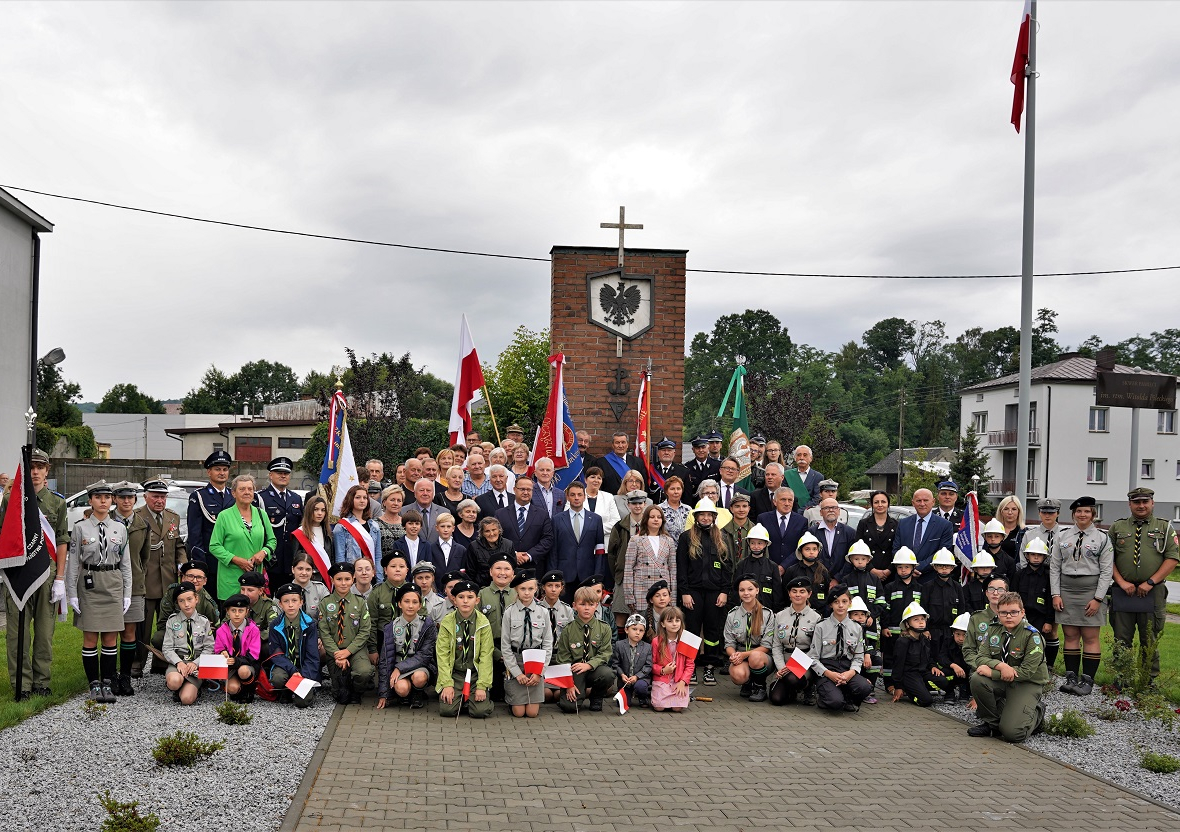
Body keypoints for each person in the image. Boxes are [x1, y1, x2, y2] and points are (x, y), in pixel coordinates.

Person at [0, 450, 66, 700]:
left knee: (44, 633)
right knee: (18, 634)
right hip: (18, 576)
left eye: (40, 467)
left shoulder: (57, 503)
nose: (35, 472)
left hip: (46, 576)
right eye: (31, 467)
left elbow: (62, 540)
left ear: (47, 471)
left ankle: (41, 681)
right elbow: (3, 537)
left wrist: (59, 578)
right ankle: (22, 684)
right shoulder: (10, 501)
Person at [67, 481, 132, 704]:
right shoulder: (80, 528)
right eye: (98, 497)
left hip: (113, 582)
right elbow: (74, 563)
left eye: (107, 497)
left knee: (111, 637)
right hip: (90, 583)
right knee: (90, 636)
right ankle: (94, 684)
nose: (103, 501)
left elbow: (126, 564)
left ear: (112, 500)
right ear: (91, 500)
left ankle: (107, 682)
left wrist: (127, 592)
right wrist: (71, 593)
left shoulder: (120, 528)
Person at [1107, 486, 1178, 685]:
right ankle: (1122, 679)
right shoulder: (1118, 527)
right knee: (1121, 639)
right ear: (1130, 504)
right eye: (1136, 502)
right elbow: (1107, 558)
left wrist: (1150, 582)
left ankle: (1148, 681)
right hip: (1123, 591)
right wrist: (1121, 582)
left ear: (1152, 503)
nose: (1141, 505)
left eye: (1145, 502)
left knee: (1150, 638)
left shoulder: (1165, 527)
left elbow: (1172, 558)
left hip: (1152, 592)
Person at [967, 592, 1048, 742]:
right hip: (1004, 681)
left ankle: (1037, 712)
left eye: (1013, 612)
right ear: (998, 613)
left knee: (1013, 734)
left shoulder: (1032, 636)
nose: (1008, 616)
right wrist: (1001, 665)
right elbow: (980, 657)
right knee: (977, 679)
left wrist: (994, 673)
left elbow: (1026, 672)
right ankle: (992, 724)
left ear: (1022, 613)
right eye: (1003, 612)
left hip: (1026, 684)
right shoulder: (993, 630)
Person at [1052, 496, 1113, 697]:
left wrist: (1097, 599)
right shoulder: (1063, 536)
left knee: (1089, 636)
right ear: (1073, 514)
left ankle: (1087, 680)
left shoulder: (1103, 538)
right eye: (1079, 511)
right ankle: (1071, 678)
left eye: (1087, 511)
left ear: (1093, 514)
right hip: (1066, 590)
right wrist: (1056, 594)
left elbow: (1106, 571)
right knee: (1070, 635)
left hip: (1091, 591)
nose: (1082, 515)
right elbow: (1055, 566)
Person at [676, 498, 734, 685]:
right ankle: (689, 669)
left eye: (709, 515)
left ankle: (709, 668)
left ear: (714, 517)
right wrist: (684, 592)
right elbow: (682, 568)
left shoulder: (722, 537)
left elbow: (728, 567)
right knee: (691, 631)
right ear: (696, 516)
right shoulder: (686, 537)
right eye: (703, 514)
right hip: (692, 592)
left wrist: (724, 591)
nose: (706, 518)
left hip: (715, 593)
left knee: (712, 631)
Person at [134, 478, 187, 679]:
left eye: (163, 497)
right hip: (146, 581)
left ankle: (160, 663)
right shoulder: (137, 516)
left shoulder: (172, 517)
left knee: (166, 626)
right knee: (143, 627)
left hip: (169, 581)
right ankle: (136, 664)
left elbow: (179, 545)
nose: (159, 501)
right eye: (155, 496)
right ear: (145, 496)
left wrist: (183, 563)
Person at [209, 475, 276, 602]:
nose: (247, 492)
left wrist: (264, 552)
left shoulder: (262, 514)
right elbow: (214, 546)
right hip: (231, 579)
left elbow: (272, 540)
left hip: (255, 580)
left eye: (250, 489)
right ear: (233, 493)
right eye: (242, 489)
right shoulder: (224, 516)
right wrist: (236, 560)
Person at [110, 481, 149, 696]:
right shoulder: (104, 521)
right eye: (122, 497)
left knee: (129, 632)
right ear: (115, 499)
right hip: (109, 583)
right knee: (109, 632)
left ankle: (125, 676)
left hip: (134, 584)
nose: (126, 501)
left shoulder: (142, 524)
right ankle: (110, 676)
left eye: (130, 497)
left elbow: (144, 557)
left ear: (135, 500)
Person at [436, 578, 494, 719]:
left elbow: (486, 656)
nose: (465, 601)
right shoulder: (447, 622)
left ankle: (476, 699)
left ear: (477, 600)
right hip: (455, 673)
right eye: (461, 597)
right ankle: (461, 698)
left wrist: (482, 685)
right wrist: (447, 684)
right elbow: (442, 655)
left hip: (475, 674)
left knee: (480, 712)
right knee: (447, 711)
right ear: (454, 600)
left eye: (470, 597)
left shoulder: (483, 623)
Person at [808, 584, 872, 712]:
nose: (841, 605)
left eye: (844, 601)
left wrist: (851, 673)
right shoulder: (821, 626)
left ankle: (848, 698)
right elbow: (813, 657)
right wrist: (828, 673)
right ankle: (827, 697)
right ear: (831, 604)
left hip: (846, 667)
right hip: (827, 668)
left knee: (864, 687)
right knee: (835, 702)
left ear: (850, 603)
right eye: (836, 602)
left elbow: (858, 657)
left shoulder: (857, 628)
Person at [318, 561, 374, 705]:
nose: (343, 583)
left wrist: (348, 651)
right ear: (332, 580)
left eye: (347, 579)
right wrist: (337, 653)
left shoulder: (360, 602)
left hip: (355, 649)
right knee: (339, 695)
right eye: (339, 579)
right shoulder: (325, 603)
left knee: (365, 672)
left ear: (353, 579)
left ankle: (356, 691)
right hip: (334, 651)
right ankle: (343, 684)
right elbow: (324, 632)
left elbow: (364, 631)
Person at [554, 586, 616, 712]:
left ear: (596, 606)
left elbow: (605, 653)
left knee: (608, 674)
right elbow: (563, 658)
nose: (587, 608)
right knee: (570, 707)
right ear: (575, 606)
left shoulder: (604, 628)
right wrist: (569, 684)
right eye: (582, 604)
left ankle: (596, 697)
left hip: (594, 669)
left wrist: (589, 665)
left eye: (591, 604)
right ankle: (571, 697)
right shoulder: (568, 630)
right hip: (574, 671)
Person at [376, 584, 437, 710]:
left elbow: (425, 655)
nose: (410, 606)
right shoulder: (391, 627)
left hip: (420, 666)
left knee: (419, 678)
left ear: (420, 606)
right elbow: (384, 660)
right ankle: (405, 695)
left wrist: (399, 668)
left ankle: (417, 693)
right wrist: (384, 694)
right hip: (399, 665)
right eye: (406, 601)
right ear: (399, 604)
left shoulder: (427, 625)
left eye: (415, 602)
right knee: (402, 689)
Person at [500, 570, 552, 718]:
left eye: (530, 589)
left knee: (532, 713)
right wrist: (517, 673)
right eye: (523, 589)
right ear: (516, 589)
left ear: (536, 589)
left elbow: (548, 644)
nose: (527, 593)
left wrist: (539, 673)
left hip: (536, 661)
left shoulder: (543, 612)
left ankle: (527, 698)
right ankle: (513, 702)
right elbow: (505, 645)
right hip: (516, 660)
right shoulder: (509, 612)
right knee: (518, 713)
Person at [186, 450, 235, 599]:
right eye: (217, 469)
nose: (222, 473)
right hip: (211, 561)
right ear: (209, 472)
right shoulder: (199, 496)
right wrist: (202, 564)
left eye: (225, 469)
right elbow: (195, 534)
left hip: (232, 560)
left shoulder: (234, 496)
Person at [768, 576, 822, 706]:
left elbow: (816, 648)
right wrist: (781, 667)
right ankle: (791, 690)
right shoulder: (780, 616)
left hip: (805, 661)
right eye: (794, 591)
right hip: (784, 661)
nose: (798, 595)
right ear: (789, 593)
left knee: (793, 678)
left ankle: (808, 687)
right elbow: (776, 645)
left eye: (802, 591)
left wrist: (793, 666)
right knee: (776, 699)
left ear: (809, 594)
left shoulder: (816, 618)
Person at [551, 480, 608, 600]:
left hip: (588, 575)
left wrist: (598, 576)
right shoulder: (557, 520)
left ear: (584, 497)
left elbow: (600, 550)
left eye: (579, 495)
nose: (576, 498)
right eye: (572, 495)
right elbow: (553, 550)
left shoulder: (595, 519)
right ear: (567, 497)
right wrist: (554, 576)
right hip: (564, 575)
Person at [267, 582, 320, 708]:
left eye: (294, 600)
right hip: (286, 665)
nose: (290, 605)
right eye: (286, 601)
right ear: (280, 604)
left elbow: (312, 655)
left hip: (304, 666)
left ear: (301, 602)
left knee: (301, 703)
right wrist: (292, 671)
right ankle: (286, 690)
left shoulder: (309, 625)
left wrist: (304, 676)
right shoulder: (275, 625)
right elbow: (276, 653)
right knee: (277, 678)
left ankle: (302, 689)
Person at [162, 581, 214, 706]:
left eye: (189, 599)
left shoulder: (204, 622)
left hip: (196, 665)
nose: (186, 604)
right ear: (177, 603)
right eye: (181, 601)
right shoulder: (172, 621)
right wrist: (179, 662)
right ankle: (177, 685)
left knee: (187, 700)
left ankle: (192, 687)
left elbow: (209, 648)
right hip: (178, 662)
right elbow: (167, 648)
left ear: (196, 599)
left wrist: (196, 663)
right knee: (174, 682)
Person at [890, 603, 953, 707]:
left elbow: (929, 657)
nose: (920, 622)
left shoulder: (924, 639)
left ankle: (922, 688)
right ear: (907, 624)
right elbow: (898, 666)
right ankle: (910, 692)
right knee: (926, 701)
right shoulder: (903, 642)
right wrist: (898, 687)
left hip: (923, 672)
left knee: (943, 680)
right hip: (909, 675)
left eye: (922, 619)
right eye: (916, 620)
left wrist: (933, 666)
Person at [255, 457, 303, 589]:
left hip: (290, 559)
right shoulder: (260, 497)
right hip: (269, 559)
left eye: (286, 473)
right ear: (271, 475)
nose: (283, 476)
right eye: (279, 472)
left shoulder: (296, 498)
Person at [723, 576, 774, 702]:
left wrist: (744, 654)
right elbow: (729, 643)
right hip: (740, 654)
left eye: (750, 589)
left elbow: (767, 646)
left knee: (755, 657)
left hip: (761, 657)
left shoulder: (767, 614)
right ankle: (748, 682)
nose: (746, 593)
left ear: (757, 590)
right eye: (742, 590)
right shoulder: (732, 614)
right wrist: (734, 655)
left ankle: (760, 686)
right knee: (738, 675)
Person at [1013, 537, 1058, 672]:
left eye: (1039, 555)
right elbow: (1013, 597)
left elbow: (1051, 601)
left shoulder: (1049, 576)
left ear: (1045, 557)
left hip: (1040, 618)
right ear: (1027, 556)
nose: (1036, 558)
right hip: (1021, 617)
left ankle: (1042, 669)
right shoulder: (1019, 575)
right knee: (1020, 643)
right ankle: (1020, 668)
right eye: (1033, 554)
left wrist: (1049, 621)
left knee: (1038, 644)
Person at [623, 505, 676, 616]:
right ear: (646, 519)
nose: (656, 520)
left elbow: (673, 570)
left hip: (662, 592)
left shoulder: (669, 541)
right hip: (641, 590)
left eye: (659, 517)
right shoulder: (635, 540)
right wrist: (629, 596)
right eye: (652, 517)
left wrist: (673, 596)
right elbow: (628, 569)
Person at [880, 547, 920, 690]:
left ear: (913, 568)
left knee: (908, 658)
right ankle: (889, 684)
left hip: (911, 632)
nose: (903, 570)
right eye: (900, 567)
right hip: (893, 630)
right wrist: (884, 627)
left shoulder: (919, 589)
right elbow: (885, 609)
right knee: (890, 657)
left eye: (907, 567)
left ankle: (904, 684)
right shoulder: (890, 587)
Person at [478, 552, 517, 702]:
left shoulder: (518, 594)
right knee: (494, 693)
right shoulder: (481, 595)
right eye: (498, 568)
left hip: (513, 648)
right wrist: (496, 653)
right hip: (489, 648)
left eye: (507, 569)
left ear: (513, 573)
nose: (502, 573)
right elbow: (478, 627)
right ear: (490, 572)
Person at [608, 491, 648, 629]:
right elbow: (612, 553)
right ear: (628, 504)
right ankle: (621, 648)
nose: (637, 506)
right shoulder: (619, 526)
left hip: (645, 577)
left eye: (640, 503)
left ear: (645, 504)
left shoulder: (651, 526)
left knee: (643, 616)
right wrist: (618, 573)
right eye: (634, 503)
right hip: (624, 576)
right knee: (621, 614)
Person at [496, 477, 552, 575]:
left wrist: (529, 555)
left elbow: (547, 539)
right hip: (507, 568)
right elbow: (497, 539)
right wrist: (513, 554)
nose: (526, 492)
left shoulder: (542, 514)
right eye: (522, 489)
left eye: (529, 489)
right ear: (514, 490)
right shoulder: (500, 514)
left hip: (534, 568)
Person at [213, 593, 261, 703]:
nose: (237, 614)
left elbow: (254, 655)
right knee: (232, 689)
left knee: (243, 671)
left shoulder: (253, 629)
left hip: (248, 665)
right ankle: (239, 691)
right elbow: (218, 649)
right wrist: (222, 652)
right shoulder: (221, 630)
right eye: (233, 610)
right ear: (227, 612)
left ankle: (248, 691)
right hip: (231, 667)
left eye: (241, 611)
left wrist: (237, 661)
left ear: (247, 612)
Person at [650, 606, 692, 712]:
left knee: (677, 708)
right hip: (662, 679)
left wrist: (683, 682)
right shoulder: (656, 641)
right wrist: (662, 670)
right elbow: (651, 663)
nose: (674, 624)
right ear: (663, 624)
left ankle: (684, 695)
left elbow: (690, 665)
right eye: (670, 621)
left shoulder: (687, 641)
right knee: (659, 707)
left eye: (677, 620)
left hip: (678, 680)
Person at [734, 523, 782, 611]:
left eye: (760, 543)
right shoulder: (742, 565)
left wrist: (775, 612)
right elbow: (735, 590)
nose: (756, 547)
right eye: (753, 543)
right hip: (744, 610)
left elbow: (777, 593)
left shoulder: (773, 567)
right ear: (748, 544)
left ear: (765, 544)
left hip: (766, 610)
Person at [780, 532, 831, 615]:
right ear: (801, 551)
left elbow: (826, 592)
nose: (811, 552)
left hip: (819, 614)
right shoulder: (792, 570)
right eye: (807, 549)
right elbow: (785, 593)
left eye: (814, 549)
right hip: (796, 613)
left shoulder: (823, 571)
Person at [757, 487, 807, 568]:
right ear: (775, 502)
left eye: (790, 500)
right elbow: (760, 544)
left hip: (793, 569)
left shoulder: (802, 521)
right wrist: (772, 566)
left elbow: (801, 547)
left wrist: (784, 566)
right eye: (783, 500)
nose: (787, 503)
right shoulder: (763, 519)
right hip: (767, 567)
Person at [334, 484, 381, 569]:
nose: (362, 500)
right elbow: (340, 557)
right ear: (350, 499)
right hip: (351, 574)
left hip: (370, 574)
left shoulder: (374, 526)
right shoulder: (342, 527)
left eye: (365, 498)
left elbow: (378, 556)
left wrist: (379, 579)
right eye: (358, 497)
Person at [611, 613, 653, 708]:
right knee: (622, 704)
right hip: (625, 680)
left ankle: (643, 697)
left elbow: (648, 665)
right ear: (626, 629)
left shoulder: (647, 647)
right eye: (634, 629)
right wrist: (621, 674)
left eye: (641, 630)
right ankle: (627, 693)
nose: (637, 632)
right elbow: (615, 664)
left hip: (640, 679)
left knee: (640, 687)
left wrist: (637, 676)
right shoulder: (619, 645)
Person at [856, 490, 898, 582]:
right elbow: (858, 548)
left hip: (890, 574)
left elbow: (897, 549)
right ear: (872, 504)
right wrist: (872, 570)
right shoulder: (863, 523)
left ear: (888, 504)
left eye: (883, 502)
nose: (880, 505)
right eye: (876, 502)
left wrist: (889, 570)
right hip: (867, 572)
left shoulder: (896, 524)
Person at [811, 497, 856, 579]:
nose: (831, 510)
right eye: (826, 508)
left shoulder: (849, 532)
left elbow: (851, 558)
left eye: (834, 508)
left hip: (841, 582)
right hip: (817, 580)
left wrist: (837, 578)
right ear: (821, 512)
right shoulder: (812, 533)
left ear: (838, 511)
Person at [466, 516, 515, 588]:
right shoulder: (474, 546)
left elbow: (513, 568)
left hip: (505, 587)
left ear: (499, 530)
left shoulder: (509, 544)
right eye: (487, 531)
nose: (491, 534)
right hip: (482, 588)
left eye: (494, 530)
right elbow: (470, 572)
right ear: (482, 533)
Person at [848, 595, 881, 701]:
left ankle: (869, 690)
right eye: (856, 614)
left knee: (876, 660)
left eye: (863, 614)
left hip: (862, 658)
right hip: (850, 660)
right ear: (849, 616)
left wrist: (867, 654)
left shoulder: (866, 629)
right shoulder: (847, 628)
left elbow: (871, 645)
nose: (860, 617)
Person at [238, 570, 277, 647]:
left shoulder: (268, 605)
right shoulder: (236, 603)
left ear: (260, 591)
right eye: (242, 589)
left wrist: (253, 638)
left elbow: (274, 627)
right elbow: (225, 625)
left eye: (250, 590)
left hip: (259, 642)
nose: (245, 594)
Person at [538, 570, 576, 648]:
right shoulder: (536, 609)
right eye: (550, 585)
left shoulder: (567, 610)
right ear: (543, 587)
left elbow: (572, 635)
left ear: (562, 587)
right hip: (541, 653)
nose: (553, 590)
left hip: (561, 654)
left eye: (557, 586)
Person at [647, 438, 691, 504]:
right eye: (663, 450)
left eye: (669, 450)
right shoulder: (650, 469)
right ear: (658, 453)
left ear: (674, 453)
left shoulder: (683, 471)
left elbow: (687, 497)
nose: (666, 453)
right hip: (654, 511)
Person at [290, 551, 329, 620]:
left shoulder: (321, 589)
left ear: (312, 571)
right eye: (300, 569)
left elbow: (328, 615)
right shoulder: (283, 591)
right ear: (293, 569)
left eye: (308, 569)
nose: (304, 573)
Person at [402, 478, 440, 544]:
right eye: (421, 490)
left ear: (433, 494)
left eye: (428, 490)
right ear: (415, 493)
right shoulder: (403, 512)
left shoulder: (444, 512)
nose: (425, 493)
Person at [788, 445, 824, 512]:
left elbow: (816, 498)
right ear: (795, 458)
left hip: (809, 513)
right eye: (799, 455)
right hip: (790, 513)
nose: (801, 458)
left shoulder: (818, 477)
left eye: (805, 455)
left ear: (811, 458)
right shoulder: (787, 475)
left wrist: (801, 511)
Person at [373, 485, 406, 557]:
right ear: (384, 502)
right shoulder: (375, 523)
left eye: (399, 500)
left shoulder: (406, 522)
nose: (396, 503)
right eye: (392, 500)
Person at [656, 475, 690, 544]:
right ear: (666, 491)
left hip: (686, 549)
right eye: (672, 489)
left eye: (678, 489)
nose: (676, 492)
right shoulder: (659, 509)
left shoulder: (688, 509)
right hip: (666, 549)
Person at [995, 495, 1026, 564]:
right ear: (1001, 511)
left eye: (1014, 509)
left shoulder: (1024, 533)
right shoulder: (993, 531)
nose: (1010, 512)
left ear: (1019, 512)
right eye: (1006, 509)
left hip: (1015, 572)